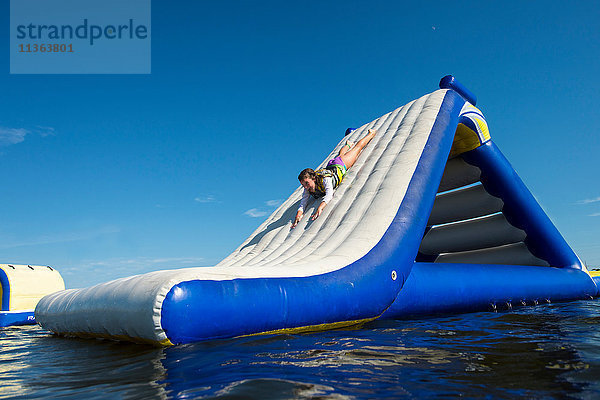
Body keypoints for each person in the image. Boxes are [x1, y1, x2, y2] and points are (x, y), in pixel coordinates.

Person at [291, 128, 377, 228]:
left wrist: (321, 207)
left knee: (357, 149)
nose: (305, 187)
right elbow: (303, 202)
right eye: (303, 185)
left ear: (313, 178)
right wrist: (299, 214)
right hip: (331, 165)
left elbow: (329, 194)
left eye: (306, 183)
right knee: (340, 155)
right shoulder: (308, 188)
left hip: (341, 164)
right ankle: (348, 145)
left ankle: (371, 134)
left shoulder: (324, 179)